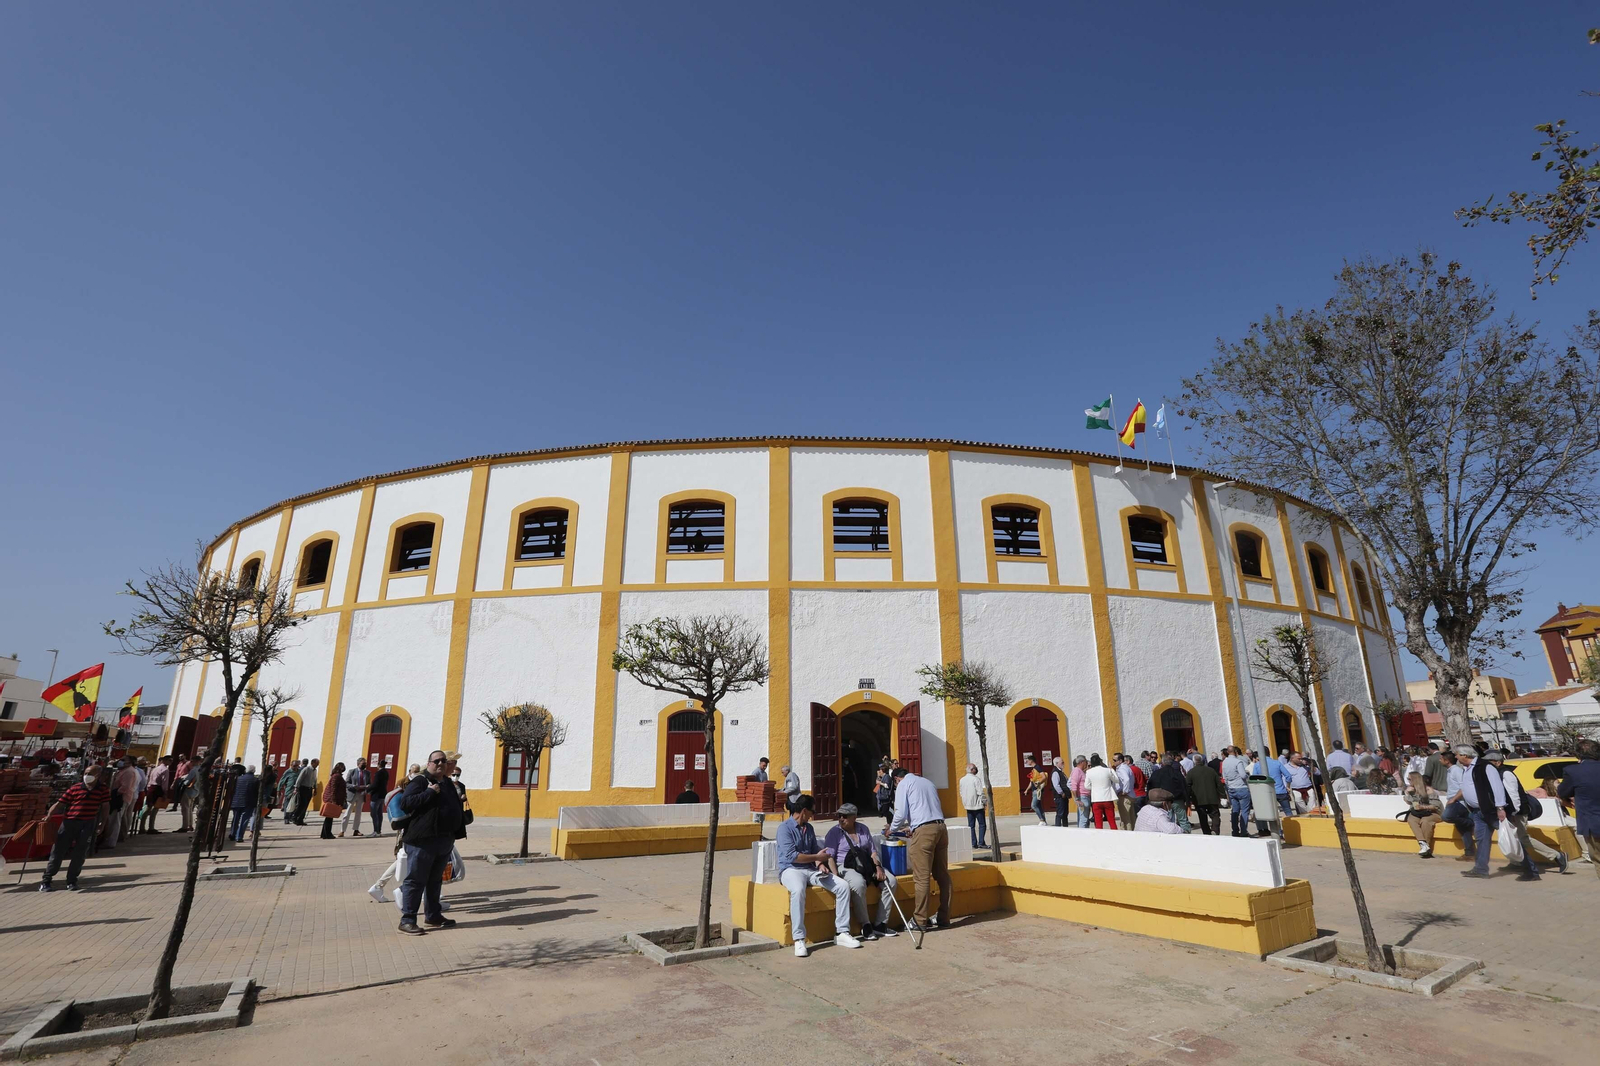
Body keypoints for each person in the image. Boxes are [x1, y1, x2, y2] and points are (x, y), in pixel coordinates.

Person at [777, 794, 858, 956]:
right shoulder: (784, 829)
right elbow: (793, 856)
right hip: (790, 869)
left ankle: (842, 932)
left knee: (842, 886)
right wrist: (817, 858)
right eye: (812, 811)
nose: (813, 815)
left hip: (810, 869)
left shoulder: (809, 829)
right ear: (804, 811)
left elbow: (814, 851)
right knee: (798, 890)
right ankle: (799, 939)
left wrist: (820, 864)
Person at [396, 750, 468, 935]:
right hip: (422, 841)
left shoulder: (448, 784)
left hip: (443, 840)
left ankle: (433, 915)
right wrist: (429, 792)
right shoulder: (421, 781)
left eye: (444, 761)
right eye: (437, 761)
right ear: (428, 764)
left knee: (435, 881)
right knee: (416, 880)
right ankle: (407, 920)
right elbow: (406, 803)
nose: (441, 764)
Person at [824, 802, 899, 940]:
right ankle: (865, 924)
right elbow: (829, 857)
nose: (841, 819)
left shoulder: (863, 829)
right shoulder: (834, 832)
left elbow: (873, 852)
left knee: (891, 881)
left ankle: (880, 923)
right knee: (858, 883)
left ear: (854, 817)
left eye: (845, 816)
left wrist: (878, 867)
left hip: (866, 863)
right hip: (845, 865)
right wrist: (836, 876)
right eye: (839, 816)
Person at [890, 765, 951, 934]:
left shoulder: (903, 785)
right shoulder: (927, 782)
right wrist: (913, 827)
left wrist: (892, 829)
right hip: (940, 828)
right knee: (942, 875)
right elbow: (926, 810)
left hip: (924, 832)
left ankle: (919, 920)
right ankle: (944, 917)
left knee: (922, 878)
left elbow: (900, 813)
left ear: (897, 779)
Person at [39, 763, 111, 891]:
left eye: (90, 774)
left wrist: (102, 824)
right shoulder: (75, 788)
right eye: (86, 773)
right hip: (69, 822)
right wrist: (49, 815)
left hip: (88, 823)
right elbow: (60, 803)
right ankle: (46, 880)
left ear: (98, 775)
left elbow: (105, 807)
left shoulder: (103, 789)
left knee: (80, 853)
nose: (86, 776)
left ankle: (72, 881)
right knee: (58, 851)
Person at [1497, 752, 1568, 877]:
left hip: (1517, 811)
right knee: (1514, 837)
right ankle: (1517, 861)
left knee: (1522, 838)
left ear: (1497, 762)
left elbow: (1514, 796)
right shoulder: (1498, 774)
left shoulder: (1506, 774)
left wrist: (1514, 812)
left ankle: (1557, 855)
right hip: (1511, 812)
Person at [368, 763, 422, 903]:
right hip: (409, 827)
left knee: (407, 858)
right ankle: (381, 886)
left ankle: (379, 886)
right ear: (410, 770)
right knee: (409, 858)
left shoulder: (408, 783)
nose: (415, 773)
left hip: (407, 826)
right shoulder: (413, 785)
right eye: (414, 771)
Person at [1556, 739, 1600, 881]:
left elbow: (1563, 792)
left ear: (1578, 755)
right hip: (1593, 821)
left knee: (1598, 859)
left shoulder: (1573, 771)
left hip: (1593, 823)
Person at [1462, 748, 1509, 880]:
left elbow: (1497, 787)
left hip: (1491, 810)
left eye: (1457, 754)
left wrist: (1500, 807)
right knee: (1482, 840)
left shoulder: (1485, 766)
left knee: (1513, 837)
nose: (1455, 757)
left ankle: (1531, 865)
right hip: (1478, 811)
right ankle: (1481, 869)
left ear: (1464, 755)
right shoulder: (1467, 769)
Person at [1442, 747, 1478, 861]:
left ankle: (1470, 822)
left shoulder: (1456, 770)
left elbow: (1463, 786)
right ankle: (1469, 853)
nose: (1439, 761)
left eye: (1441, 759)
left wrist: (1453, 799)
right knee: (1463, 830)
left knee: (1446, 816)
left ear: (1447, 760)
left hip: (1458, 802)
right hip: (1454, 800)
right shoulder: (1450, 771)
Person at [1401, 771, 1444, 857]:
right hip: (1419, 813)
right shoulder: (1412, 790)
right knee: (1411, 819)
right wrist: (1408, 793)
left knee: (1425, 821)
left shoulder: (1428, 790)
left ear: (1415, 780)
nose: (1408, 781)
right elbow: (1409, 802)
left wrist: (1423, 807)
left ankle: (1426, 846)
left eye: (1409, 779)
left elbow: (1436, 806)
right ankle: (1422, 843)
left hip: (1432, 813)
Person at [1147, 753, 1191, 832]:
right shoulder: (1177, 773)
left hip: (1164, 802)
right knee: (1183, 821)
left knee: (1168, 821)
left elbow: (1151, 786)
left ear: (1162, 762)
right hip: (1178, 800)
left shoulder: (1156, 773)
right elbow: (1184, 786)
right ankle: (1187, 836)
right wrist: (1187, 800)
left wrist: (1150, 799)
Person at [1185, 753, 1224, 836]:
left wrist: (1188, 798)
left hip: (1199, 799)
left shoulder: (1191, 772)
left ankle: (1206, 832)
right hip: (1212, 797)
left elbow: (1187, 786)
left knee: (1202, 817)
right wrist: (1223, 795)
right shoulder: (1211, 770)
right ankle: (1215, 829)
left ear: (1194, 762)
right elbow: (1219, 783)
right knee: (1215, 815)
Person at [1220, 746, 1253, 836]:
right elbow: (1242, 775)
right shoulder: (1238, 761)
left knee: (1235, 810)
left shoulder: (1225, 762)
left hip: (1231, 788)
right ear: (1235, 752)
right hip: (1241, 787)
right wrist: (1247, 777)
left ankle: (1235, 830)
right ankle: (1243, 831)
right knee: (1245, 811)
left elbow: (1224, 776)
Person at [1084, 754, 1120, 829]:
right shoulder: (1107, 770)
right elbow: (1116, 780)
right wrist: (1112, 769)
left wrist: (1094, 788)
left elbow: (1086, 786)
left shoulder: (1089, 772)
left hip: (1096, 799)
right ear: (1100, 761)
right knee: (1111, 820)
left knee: (1098, 822)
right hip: (1108, 798)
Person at [958, 763, 987, 849]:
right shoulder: (976, 779)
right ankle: (981, 842)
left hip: (968, 806)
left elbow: (961, 792)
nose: (976, 769)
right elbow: (980, 792)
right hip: (977, 805)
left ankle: (973, 843)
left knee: (971, 826)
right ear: (971, 770)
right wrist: (984, 802)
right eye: (975, 768)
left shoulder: (962, 780)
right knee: (982, 824)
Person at [339, 758, 370, 838]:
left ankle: (356, 830)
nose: (364, 765)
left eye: (365, 763)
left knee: (358, 813)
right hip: (353, 793)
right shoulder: (352, 772)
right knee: (347, 812)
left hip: (362, 794)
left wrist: (368, 787)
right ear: (358, 764)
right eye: (363, 763)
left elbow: (369, 783)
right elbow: (347, 783)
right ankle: (342, 830)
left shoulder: (367, 773)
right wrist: (353, 786)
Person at [229, 765, 260, 842]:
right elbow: (257, 792)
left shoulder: (238, 779)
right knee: (244, 820)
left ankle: (233, 834)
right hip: (249, 802)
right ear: (254, 771)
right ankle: (239, 836)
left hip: (236, 801)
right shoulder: (255, 780)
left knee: (235, 818)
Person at [319, 762, 347, 840]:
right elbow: (333, 789)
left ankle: (324, 833)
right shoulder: (336, 776)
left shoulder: (336, 776)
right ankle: (327, 833)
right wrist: (333, 800)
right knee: (329, 817)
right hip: (332, 799)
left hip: (333, 798)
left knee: (328, 817)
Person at [1114, 755, 1138, 829]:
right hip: (1130, 795)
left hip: (1125, 797)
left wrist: (1125, 791)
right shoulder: (1127, 767)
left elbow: (1126, 779)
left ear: (1120, 761)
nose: (1113, 762)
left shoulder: (1121, 768)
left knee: (1125, 820)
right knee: (1131, 818)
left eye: (1115, 760)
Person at [1068, 755, 1091, 828]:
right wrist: (1077, 799)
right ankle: (1082, 835)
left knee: (1085, 818)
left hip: (1085, 796)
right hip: (1082, 797)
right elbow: (1074, 786)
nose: (1087, 763)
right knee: (1083, 819)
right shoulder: (1077, 771)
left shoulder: (1081, 771)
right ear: (1082, 762)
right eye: (1086, 761)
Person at [294, 758, 319, 826]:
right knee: (302, 804)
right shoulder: (306, 769)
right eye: (316, 764)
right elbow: (299, 778)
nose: (317, 765)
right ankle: (295, 817)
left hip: (309, 789)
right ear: (312, 763)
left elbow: (315, 780)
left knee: (306, 805)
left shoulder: (315, 771)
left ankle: (300, 819)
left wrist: (315, 789)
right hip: (303, 788)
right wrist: (296, 787)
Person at [874, 758, 896, 832]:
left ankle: (891, 822)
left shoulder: (887, 777)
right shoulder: (882, 777)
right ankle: (889, 823)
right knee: (884, 810)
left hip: (886, 797)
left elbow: (887, 786)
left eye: (880, 770)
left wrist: (880, 783)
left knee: (885, 811)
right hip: (882, 797)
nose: (879, 771)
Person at [368, 760, 389, 835]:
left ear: (378, 765)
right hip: (383, 795)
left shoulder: (378, 773)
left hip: (376, 795)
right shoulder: (386, 772)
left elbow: (375, 785)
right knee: (379, 813)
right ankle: (379, 830)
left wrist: (368, 789)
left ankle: (376, 830)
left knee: (374, 813)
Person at [1050, 757, 1071, 827]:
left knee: (1065, 813)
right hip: (1060, 797)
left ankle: (1065, 827)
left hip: (1064, 796)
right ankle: (1057, 827)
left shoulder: (1061, 772)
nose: (1063, 764)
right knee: (1060, 813)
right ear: (1056, 764)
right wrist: (1062, 793)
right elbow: (1056, 785)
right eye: (1062, 762)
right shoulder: (1056, 773)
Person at [750, 756, 771, 827]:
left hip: (763, 797)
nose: (765, 767)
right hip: (757, 797)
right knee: (757, 817)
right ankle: (755, 832)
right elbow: (751, 783)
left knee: (762, 816)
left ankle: (760, 833)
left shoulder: (764, 774)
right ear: (760, 764)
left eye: (766, 766)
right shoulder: (756, 772)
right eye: (764, 765)